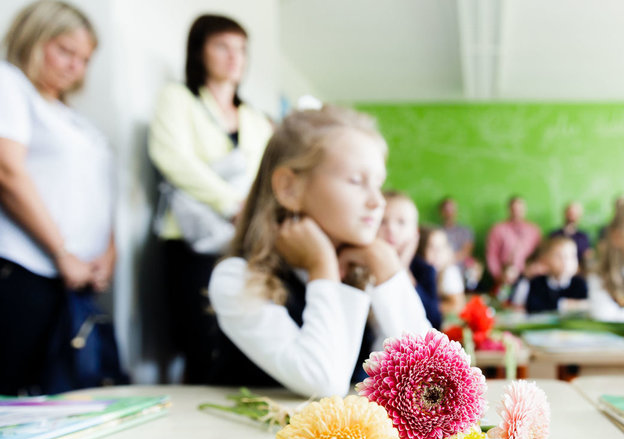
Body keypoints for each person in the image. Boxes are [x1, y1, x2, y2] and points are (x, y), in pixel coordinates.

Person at [207, 106, 430, 397]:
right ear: (289, 188)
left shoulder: (363, 266)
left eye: (378, 184)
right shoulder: (236, 278)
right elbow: (323, 382)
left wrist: (388, 269)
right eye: (356, 181)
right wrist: (321, 266)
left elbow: (430, 375)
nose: (378, 202)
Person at [0, 1, 119, 394]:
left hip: (74, 280)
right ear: (34, 39)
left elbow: (96, 191)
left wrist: (108, 251)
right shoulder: (9, 84)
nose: (75, 67)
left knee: (57, 400)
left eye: (84, 59)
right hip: (26, 269)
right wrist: (62, 252)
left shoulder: (70, 116)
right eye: (65, 51)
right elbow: (8, 172)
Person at [148, 14, 274, 384]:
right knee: (198, 340)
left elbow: (264, 178)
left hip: (242, 243)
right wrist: (233, 204)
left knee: (239, 339)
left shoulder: (254, 118)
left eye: (241, 49)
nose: (234, 57)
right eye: (222, 46)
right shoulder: (178, 98)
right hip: (190, 242)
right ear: (199, 51)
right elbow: (173, 159)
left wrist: (250, 215)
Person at [379, 191, 442, 329]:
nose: (391, 229)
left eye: (401, 222)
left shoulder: (425, 270)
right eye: (382, 221)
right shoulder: (358, 267)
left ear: (415, 232)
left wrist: (402, 269)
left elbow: (435, 321)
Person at [485, 195, 542, 292]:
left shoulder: (533, 230)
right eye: (514, 209)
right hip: (505, 277)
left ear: (525, 209)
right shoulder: (498, 229)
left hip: (529, 277)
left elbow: (540, 254)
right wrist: (499, 276)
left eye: (520, 209)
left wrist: (534, 269)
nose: (517, 212)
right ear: (509, 210)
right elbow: (492, 256)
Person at [517, 236, 588, 314]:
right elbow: (533, 307)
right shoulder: (536, 283)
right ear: (546, 260)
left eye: (571, 256)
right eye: (559, 256)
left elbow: (586, 306)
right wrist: (564, 304)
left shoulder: (580, 283)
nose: (565, 262)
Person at [418, 225, 465, 318]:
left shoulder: (449, 272)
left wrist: (428, 306)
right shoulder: (419, 272)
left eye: (442, 247)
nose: (438, 252)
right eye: (431, 247)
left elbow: (458, 305)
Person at [549, 201, 592, 268]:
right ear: (565, 213)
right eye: (570, 213)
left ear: (579, 216)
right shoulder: (554, 235)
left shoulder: (584, 237)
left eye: (575, 214)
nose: (571, 217)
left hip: (579, 270)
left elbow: (587, 256)